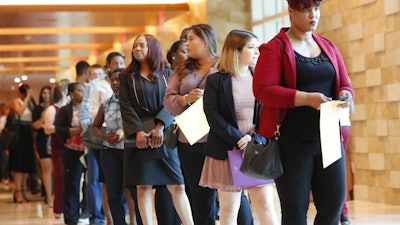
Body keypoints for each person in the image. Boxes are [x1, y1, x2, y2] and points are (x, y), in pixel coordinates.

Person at [252, 1, 355, 225]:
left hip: (329, 140)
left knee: (332, 209)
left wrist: (346, 96)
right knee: (295, 211)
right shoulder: (274, 48)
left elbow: (345, 85)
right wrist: (307, 98)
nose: (313, 14)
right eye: (306, 9)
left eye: (316, 8)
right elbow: (262, 90)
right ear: (290, 11)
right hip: (292, 142)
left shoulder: (328, 47)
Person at [163, 23, 254, 225]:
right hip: (191, 138)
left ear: (205, 41)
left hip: (223, 137)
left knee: (235, 192)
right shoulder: (181, 69)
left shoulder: (224, 65)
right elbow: (168, 101)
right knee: (199, 194)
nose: (187, 44)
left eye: (191, 39)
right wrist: (186, 98)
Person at [199, 29, 279, 225]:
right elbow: (212, 115)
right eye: (251, 48)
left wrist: (255, 138)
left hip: (256, 150)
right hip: (227, 151)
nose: (256, 52)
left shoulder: (260, 79)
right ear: (236, 51)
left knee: (266, 206)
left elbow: (268, 114)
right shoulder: (216, 80)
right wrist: (238, 138)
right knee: (228, 211)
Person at [119, 33, 193, 225]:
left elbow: (174, 101)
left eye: (142, 45)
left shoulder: (169, 73)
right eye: (135, 46)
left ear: (153, 47)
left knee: (177, 185)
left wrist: (160, 125)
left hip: (165, 133)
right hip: (139, 137)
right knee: (142, 186)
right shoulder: (126, 76)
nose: (137, 49)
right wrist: (137, 131)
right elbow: (126, 106)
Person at [92, 68, 136, 225]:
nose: (116, 83)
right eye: (113, 80)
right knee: (113, 191)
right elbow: (94, 127)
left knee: (133, 190)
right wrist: (105, 137)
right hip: (109, 151)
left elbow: (140, 125)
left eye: (119, 80)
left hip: (130, 150)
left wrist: (123, 132)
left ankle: (135, 221)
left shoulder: (134, 101)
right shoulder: (106, 103)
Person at [55, 82, 85, 225]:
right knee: (72, 184)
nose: (83, 92)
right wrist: (77, 130)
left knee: (90, 184)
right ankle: (71, 217)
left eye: (84, 89)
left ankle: (87, 213)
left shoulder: (90, 107)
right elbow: (59, 129)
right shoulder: (66, 110)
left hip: (90, 151)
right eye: (79, 90)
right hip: (72, 151)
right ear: (72, 94)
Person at [43, 80, 70, 219]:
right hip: (58, 146)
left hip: (70, 145)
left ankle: (69, 207)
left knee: (70, 178)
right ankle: (58, 208)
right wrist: (66, 128)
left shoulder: (70, 107)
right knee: (59, 177)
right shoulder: (52, 108)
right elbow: (47, 129)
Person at [10, 83, 37, 203]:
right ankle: (18, 192)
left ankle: (24, 191)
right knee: (18, 164)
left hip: (28, 133)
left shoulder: (31, 104)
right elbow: (19, 112)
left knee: (26, 164)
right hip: (18, 133)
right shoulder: (16, 101)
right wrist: (26, 99)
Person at [32, 86, 53, 206]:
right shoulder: (38, 108)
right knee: (46, 168)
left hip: (54, 139)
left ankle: (56, 196)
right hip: (42, 140)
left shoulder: (55, 107)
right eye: (44, 92)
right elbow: (35, 126)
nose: (46, 95)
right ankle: (49, 197)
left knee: (56, 169)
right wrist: (43, 117)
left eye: (48, 92)